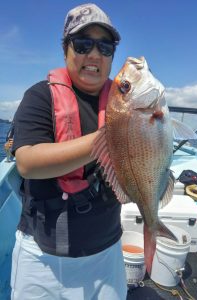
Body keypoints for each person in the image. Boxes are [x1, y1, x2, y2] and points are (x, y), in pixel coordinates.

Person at [11, 3, 127, 300]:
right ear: (66, 50)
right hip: (43, 259)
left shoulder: (124, 105)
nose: (94, 54)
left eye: (105, 46)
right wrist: (106, 139)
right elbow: (27, 163)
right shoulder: (40, 96)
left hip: (107, 254)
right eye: (83, 43)